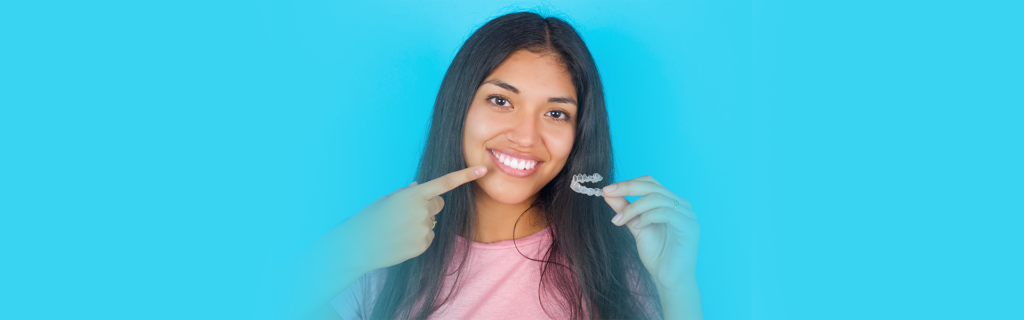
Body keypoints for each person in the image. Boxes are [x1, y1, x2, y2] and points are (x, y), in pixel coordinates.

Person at [286, 12, 702, 320]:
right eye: (501, 101)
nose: (525, 136)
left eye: (556, 114)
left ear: (580, 134)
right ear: (460, 106)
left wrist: (678, 286)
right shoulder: (383, 254)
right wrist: (350, 248)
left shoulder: (612, 264)